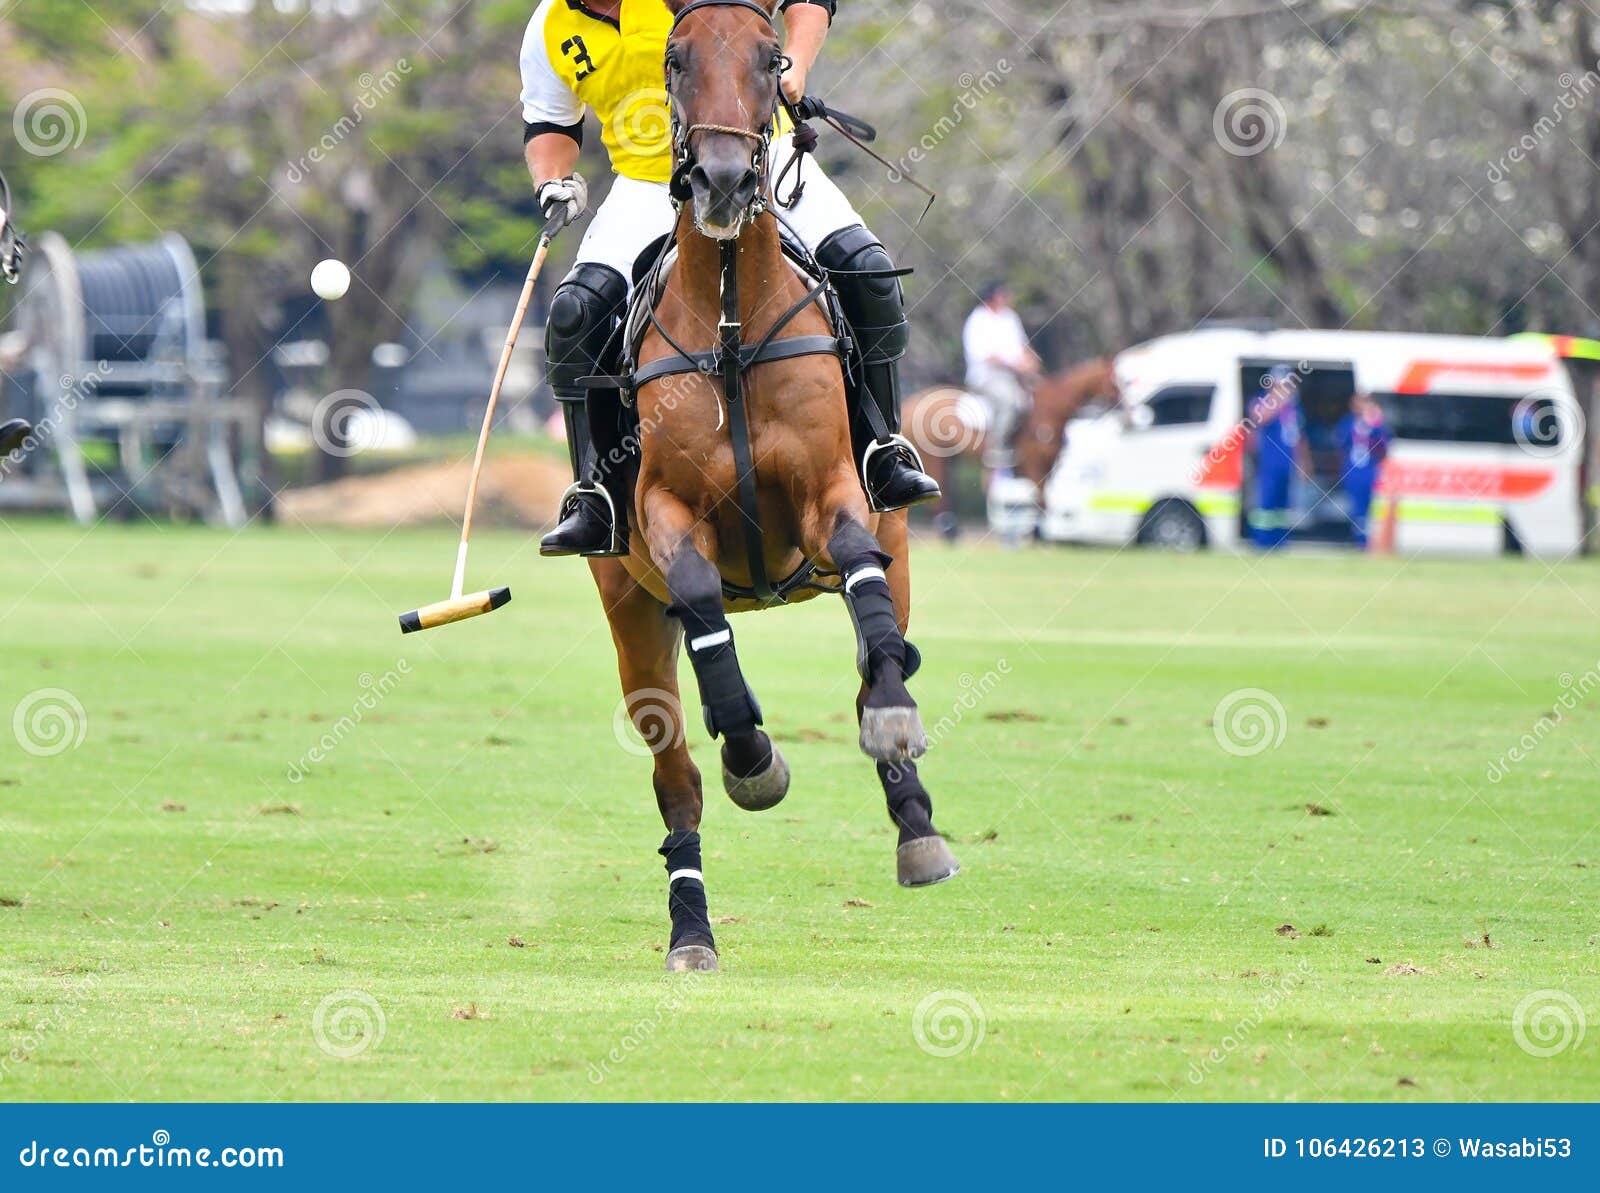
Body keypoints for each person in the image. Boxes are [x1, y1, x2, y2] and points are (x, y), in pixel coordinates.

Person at [524, 0, 939, 557]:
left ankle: (881, 447)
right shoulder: (549, 26)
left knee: (868, 272)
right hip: (647, 184)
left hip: (761, 162)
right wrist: (553, 180)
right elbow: (551, 122)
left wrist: (794, 60)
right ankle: (594, 493)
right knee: (576, 313)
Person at [961, 282, 1039, 470]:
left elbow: (1022, 346)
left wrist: (1031, 361)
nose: (1008, 298)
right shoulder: (978, 320)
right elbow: (986, 356)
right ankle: (996, 448)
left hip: (1013, 374)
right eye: (1003, 295)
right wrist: (1015, 365)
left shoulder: (1010, 318)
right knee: (1008, 401)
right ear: (993, 297)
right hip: (987, 376)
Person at [1246, 367, 1311, 550]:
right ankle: (1262, 541)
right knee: (1266, 502)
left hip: (1287, 463)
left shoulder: (1294, 408)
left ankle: (1280, 541)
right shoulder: (1263, 401)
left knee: (1283, 505)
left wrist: (1303, 463)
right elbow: (1258, 418)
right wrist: (1277, 402)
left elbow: (1299, 437)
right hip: (1269, 463)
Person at [1336, 392, 1390, 548]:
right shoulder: (1347, 423)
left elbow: (1384, 446)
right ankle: (1359, 540)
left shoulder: (1375, 424)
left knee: (1369, 507)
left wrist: (1375, 423)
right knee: (1356, 507)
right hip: (1353, 471)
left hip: (1369, 471)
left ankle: (1366, 540)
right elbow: (1341, 445)